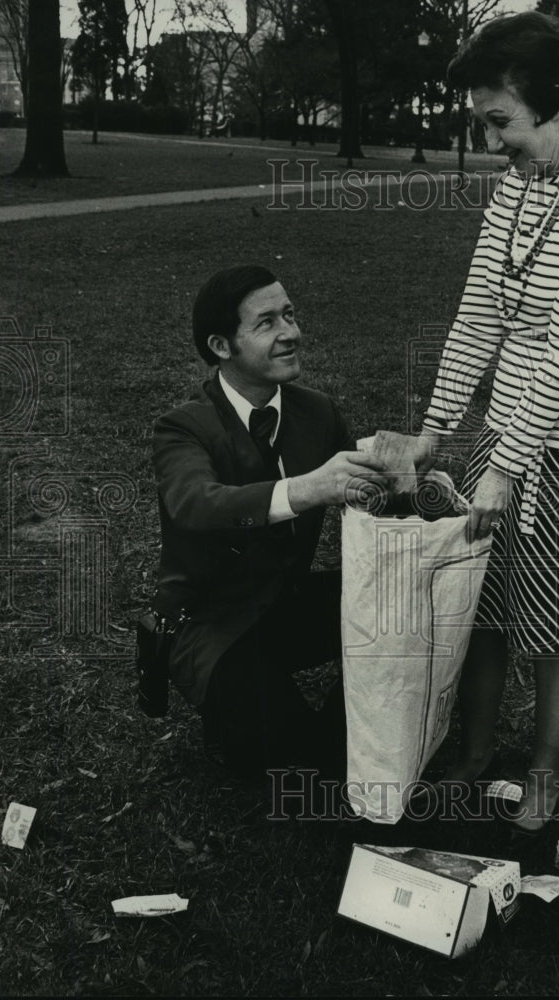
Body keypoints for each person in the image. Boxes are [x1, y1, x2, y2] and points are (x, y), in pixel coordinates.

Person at [412, 12, 559, 831]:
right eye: (484, 123)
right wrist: (436, 430)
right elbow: (478, 313)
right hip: (508, 433)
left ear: (550, 101)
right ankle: (474, 749)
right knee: (487, 602)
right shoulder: (516, 187)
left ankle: (543, 769)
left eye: (499, 121)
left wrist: (507, 468)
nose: (491, 141)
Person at [151, 265, 386, 783]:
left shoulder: (318, 412)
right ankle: (250, 716)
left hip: (287, 603)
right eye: (267, 323)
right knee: (300, 769)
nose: (291, 333)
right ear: (221, 345)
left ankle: (360, 724)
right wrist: (309, 488)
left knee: (404, 608)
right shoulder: (182, 427)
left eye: (290, 314)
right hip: (212, 627)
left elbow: (365, 493)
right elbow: (197, 504)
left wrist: (406, 475)